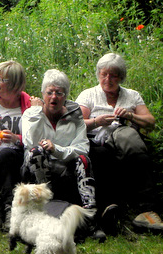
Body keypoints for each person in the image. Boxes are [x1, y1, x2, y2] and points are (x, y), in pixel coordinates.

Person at [76, 53, 163, 236]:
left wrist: (130, 115)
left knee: (135, 147)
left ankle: (146, 211)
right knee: (100, 155)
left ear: (121, 77)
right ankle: (106, 213)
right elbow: (76, 123)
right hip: (96, 142)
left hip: (126, 143)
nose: (108, 79)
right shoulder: (89, 95)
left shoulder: (132, 96)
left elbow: (150, 122)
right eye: (104, 74)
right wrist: (96, 121)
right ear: (98, 74)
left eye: (113, 75)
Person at [21, 69, 104, 241]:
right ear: (43, 94)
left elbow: (82, 147)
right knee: (36, 152)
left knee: (83, 160)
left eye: (59, 93)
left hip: (66, 169)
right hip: (36, 171)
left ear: (65, 95)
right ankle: (45, 210)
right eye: (49, 92)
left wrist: (57, 149)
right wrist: (36, 113)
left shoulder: (75, 117)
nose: (53, 97)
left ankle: (91, 218)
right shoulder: (30, 114)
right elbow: (29, 143)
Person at [0, 60, 41, 231]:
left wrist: (15, 138)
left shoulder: (26, 102)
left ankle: (9, 208)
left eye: (1, 79)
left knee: (7, 156)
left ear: (14, 84)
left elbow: (34, 136)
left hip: (14, 152)